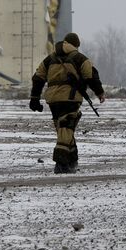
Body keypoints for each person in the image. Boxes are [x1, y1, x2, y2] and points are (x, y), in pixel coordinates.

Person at [29, 33, 105, 174]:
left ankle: (72, 161)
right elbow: (91, 76)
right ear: (76, 45)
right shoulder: (79, 58)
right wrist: (100, 93)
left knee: (64, 129)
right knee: (66, 127)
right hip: (71, 97)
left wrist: (34, 98)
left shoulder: (50, 59)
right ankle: (61, 163)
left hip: (53, 99)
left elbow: (37, 78)